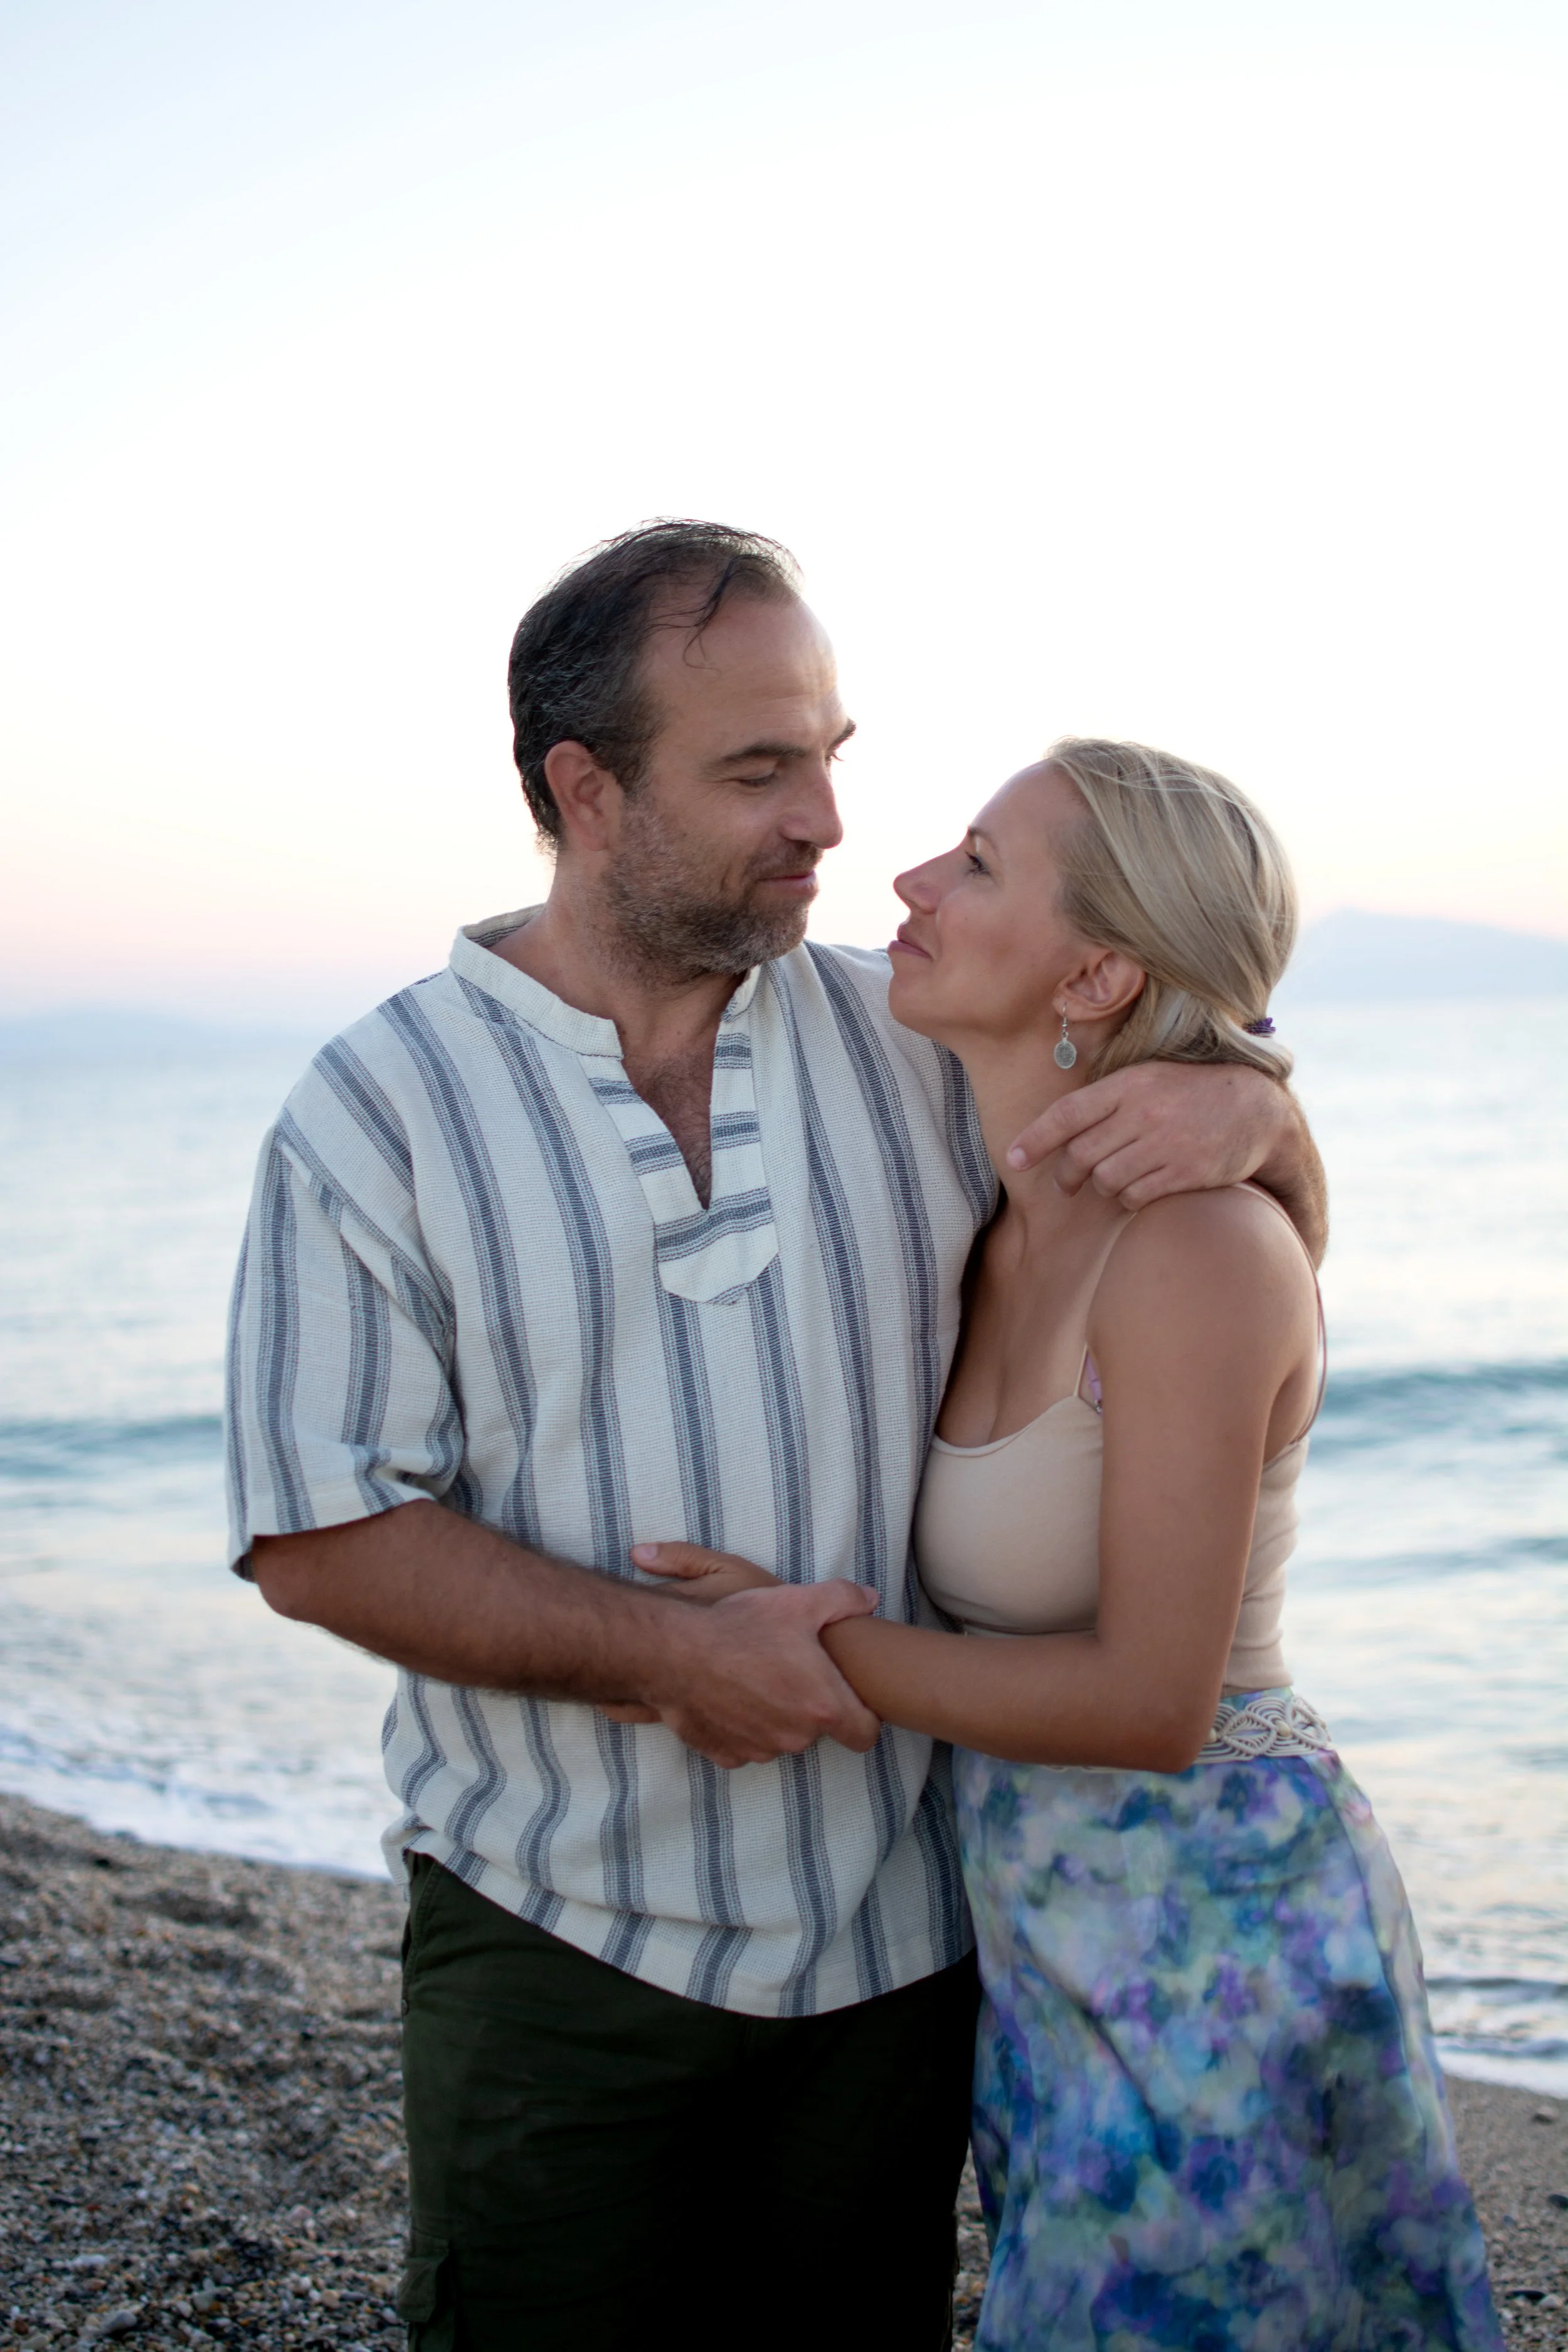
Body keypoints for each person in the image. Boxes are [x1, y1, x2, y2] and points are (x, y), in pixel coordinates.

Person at [225, 524, 1327, 2351]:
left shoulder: (908, 1033)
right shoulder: (378, 1109)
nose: (825, 816)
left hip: (906, 1949)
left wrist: (1249, 1103)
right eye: (758, 770)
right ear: (586, 791)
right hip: (561, 1942)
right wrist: (676, 1651)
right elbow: (316, 1527)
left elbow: (1181, 1176)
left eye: (830, 752)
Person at [637, 738, 1500, 2350]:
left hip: (1215, 1934)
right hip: (1040, 1934)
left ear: (1095, 968)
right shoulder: (986, 1203)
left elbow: (1148, 1704)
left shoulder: (1191, 1249)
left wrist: (789, 1647)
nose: (904, 881)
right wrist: (1262, 1097)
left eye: (972, 865)